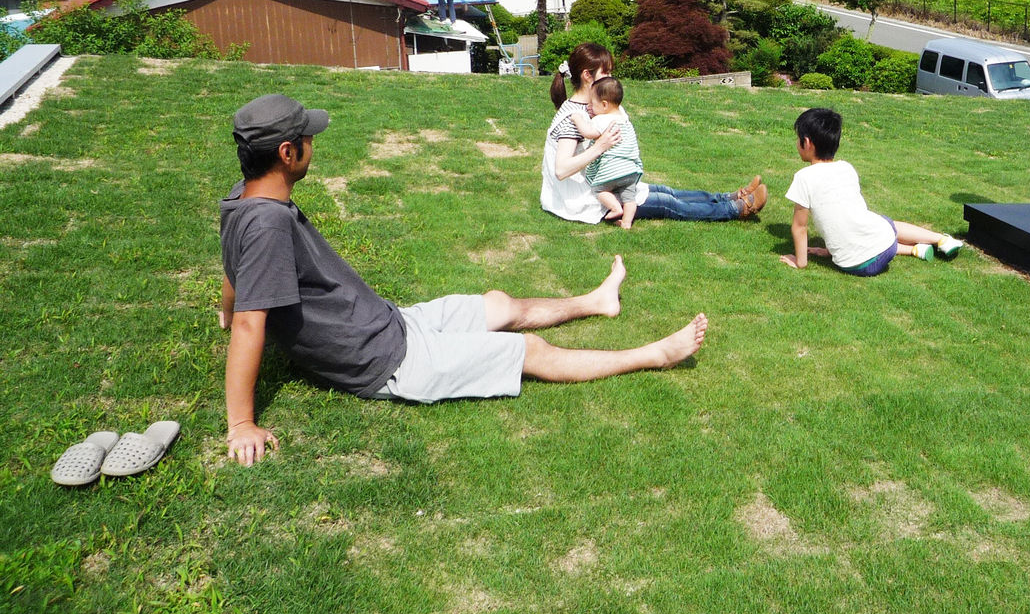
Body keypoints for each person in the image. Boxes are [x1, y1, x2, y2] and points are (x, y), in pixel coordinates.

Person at [219, 93, 708, 467]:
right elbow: (249, 324)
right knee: (529, 351)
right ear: (287, 153)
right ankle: (654, 355)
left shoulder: (243, 199)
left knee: (501, 305)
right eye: (306, 138)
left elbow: (235, 275)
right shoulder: (265, 222)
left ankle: (595, 302)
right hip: (385, 358)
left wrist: (226, 307)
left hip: (390, 323)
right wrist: (241, 423)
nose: (312, 144)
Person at [541, 42, 767, 224]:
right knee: (668, 204)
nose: (612, 76)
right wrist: (601, 146)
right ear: (587, 76)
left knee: (667, 191)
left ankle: (730, 196)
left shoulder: (600, 105)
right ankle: (737, 209)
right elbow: (561, 170)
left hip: (611, 182)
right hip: (589, 198)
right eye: (606, 71)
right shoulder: (573, 117)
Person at [780, 107, 963, 275]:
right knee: (883, 223)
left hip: (856, 266)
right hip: (887, 247)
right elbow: (848, 213)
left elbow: (800, 227)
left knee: (878, 225)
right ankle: (938, 240)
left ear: (807, 142)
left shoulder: (803, 177)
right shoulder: (846, 167)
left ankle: (920, 248)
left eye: (798, 138)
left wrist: (800, 262)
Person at [575, 76, 644, 228]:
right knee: (630, 198)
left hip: (611, 171)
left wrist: (577, 119)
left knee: (599, 190)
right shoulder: (623, 118)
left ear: (604, 105)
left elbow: (588, 132)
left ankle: (615, 208)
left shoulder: (603, 120)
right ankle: (626, 222)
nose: (589, 106)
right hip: (630, 171)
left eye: (592, 103)